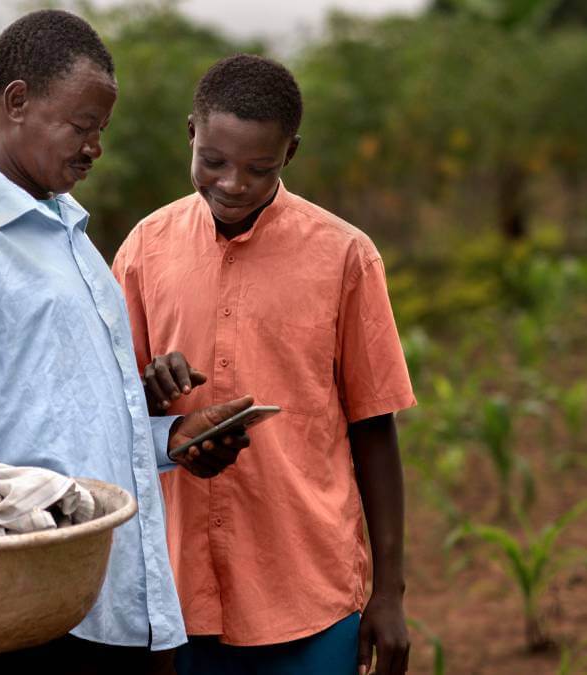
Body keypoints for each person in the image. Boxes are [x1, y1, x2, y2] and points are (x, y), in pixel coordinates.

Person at [0, 11, 253, 675]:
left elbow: (68, 421)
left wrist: (171, 440)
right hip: (23, 612)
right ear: (17, 102)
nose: (95, 147)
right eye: (81, 126)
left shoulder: (71, 237)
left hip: (112, 604)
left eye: (101, 131)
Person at [112, 54, 417, 675]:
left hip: (309, 589)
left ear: (291, 154)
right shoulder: (146, 249)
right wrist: (149, 391)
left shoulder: (345, 257)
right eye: (214, 162)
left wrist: (389, 594)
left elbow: (373, 426)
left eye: (260, 168)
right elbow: (109, 414)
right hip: (177, 592)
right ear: (190, 133)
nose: (233, 184)